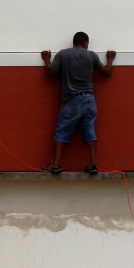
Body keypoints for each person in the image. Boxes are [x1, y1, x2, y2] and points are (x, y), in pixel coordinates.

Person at [40, 32, 117, 176]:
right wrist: (110, 59)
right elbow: (107, 72)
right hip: (89, 99)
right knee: (90, 130)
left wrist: (46, 59)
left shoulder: (63, 54)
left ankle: (56, 163)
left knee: (62, 131)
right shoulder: (91, 55)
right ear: (86, 43)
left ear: (74, 42)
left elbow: (50, 72)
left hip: (71, 100)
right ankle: (93, 164)